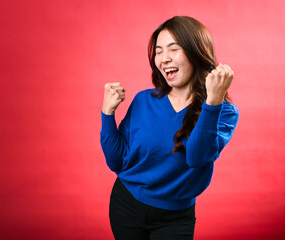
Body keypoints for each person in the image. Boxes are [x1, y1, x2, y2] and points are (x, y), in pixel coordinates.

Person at [100, 16, 239, 240]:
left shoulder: (224, 112)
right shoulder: (144, 100)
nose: (164, 59)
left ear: (196, 52)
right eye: (158, 51)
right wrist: (107, 114)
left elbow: (196, 158)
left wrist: (212, 103)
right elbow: (116, 162)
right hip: (125, 205)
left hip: (175, 217)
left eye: (173, 49)